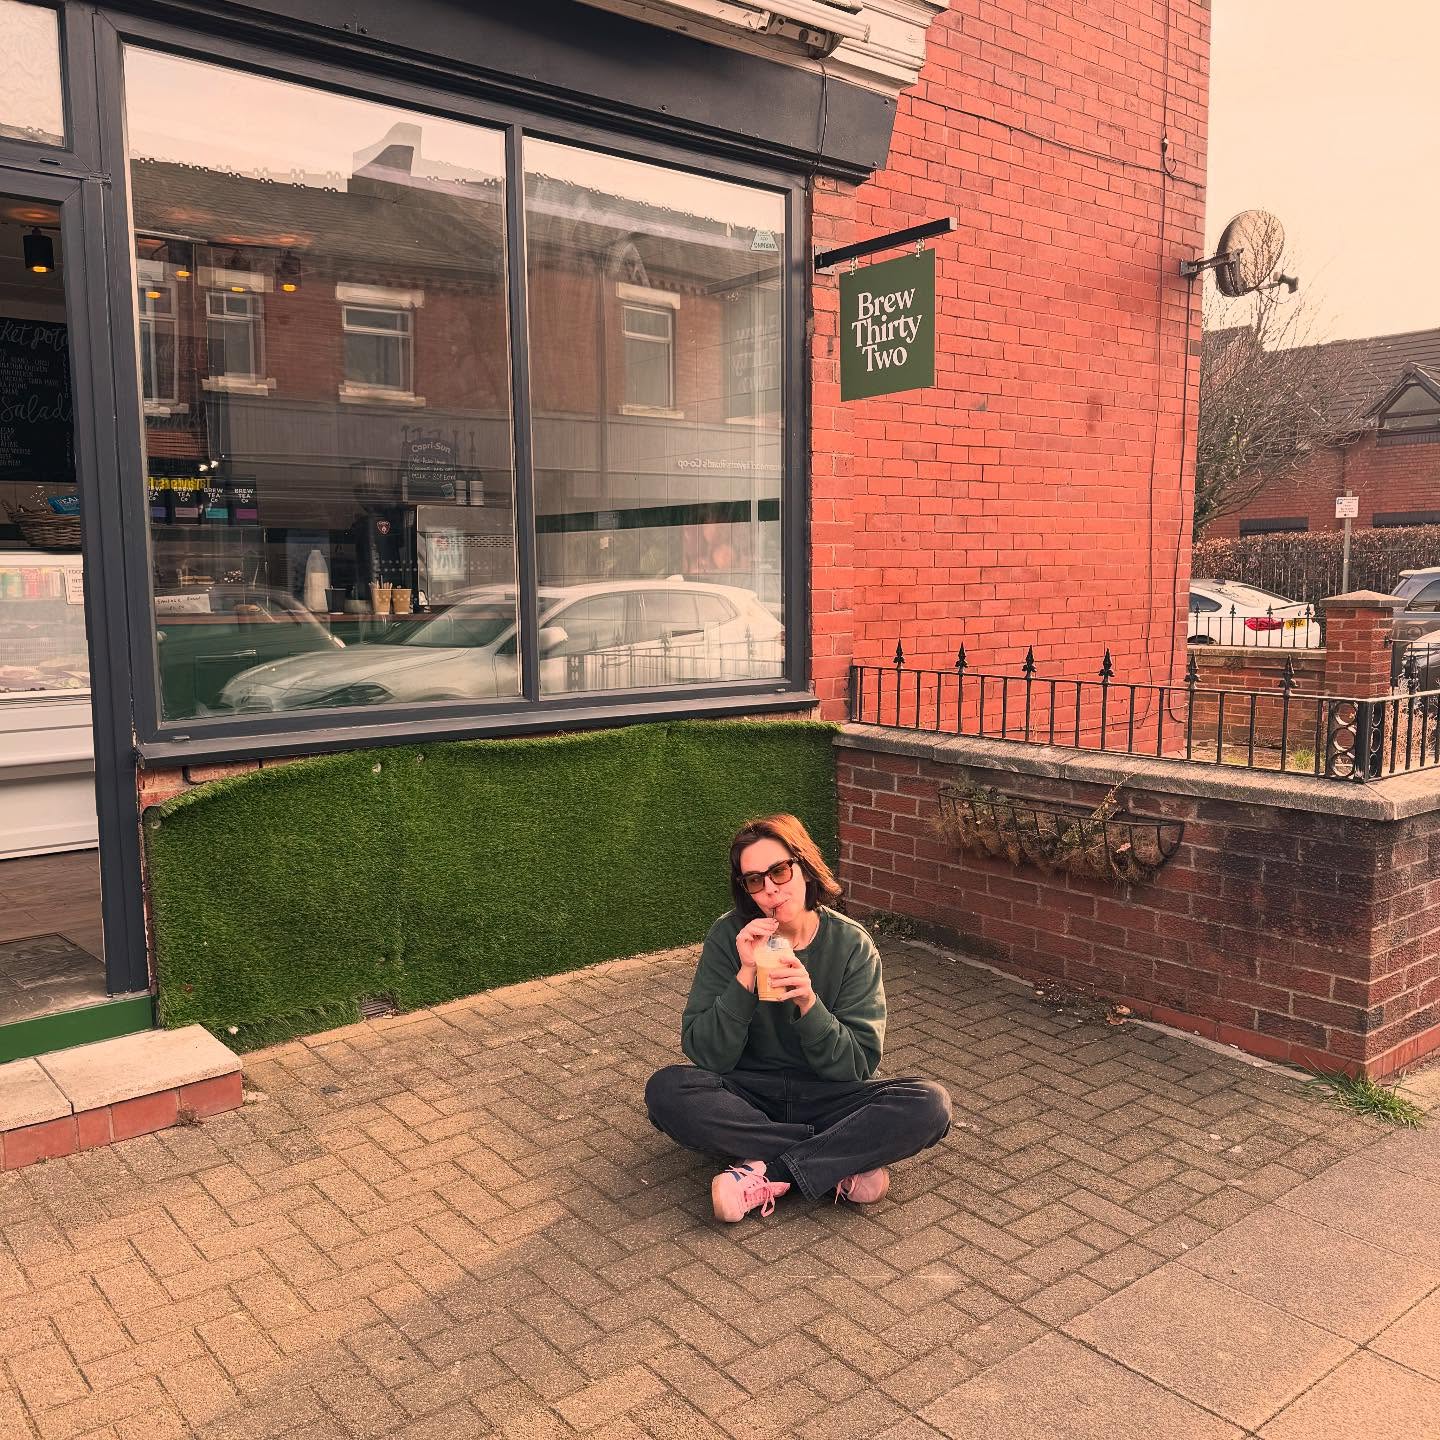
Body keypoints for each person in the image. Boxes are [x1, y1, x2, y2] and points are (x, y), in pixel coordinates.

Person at [645, 814, 952, 1222]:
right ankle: (837, 1160)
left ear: (804, 867)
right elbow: (706, 1053)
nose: (770, 889)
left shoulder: (851, 944)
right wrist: (746, 975)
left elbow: (857, 1066)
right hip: (748, 1095)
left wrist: (809, 1003)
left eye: (779, 871)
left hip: (829, 1095)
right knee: (667, 1090)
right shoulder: (729, 936)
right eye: (755, 880)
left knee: (929, 1104)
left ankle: (766, 1171)